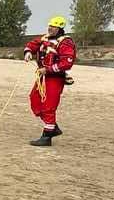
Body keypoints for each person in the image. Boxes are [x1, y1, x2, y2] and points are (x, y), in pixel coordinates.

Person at [23, 16, 75, 146]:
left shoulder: (65, 43)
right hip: (42, 77)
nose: (50, 28)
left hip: (55, 78)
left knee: (49, 106)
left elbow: (66, 63)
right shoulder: (44, 38)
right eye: (50, 26)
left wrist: (49, 69)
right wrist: (28, 52)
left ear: (60, 28)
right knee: (34, 99)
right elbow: (32, 45)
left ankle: (47, 136)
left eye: (53, 27)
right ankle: (53, 127)